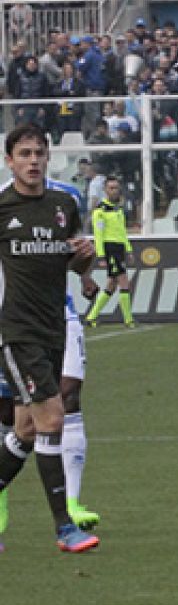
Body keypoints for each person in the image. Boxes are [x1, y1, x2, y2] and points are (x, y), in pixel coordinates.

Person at [0, 125, 100, 554]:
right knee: (52, 418)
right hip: (16, 331)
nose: (33, 161)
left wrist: (84, 259)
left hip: (53, 327)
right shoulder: (3, 207)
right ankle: (64, 527)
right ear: (10, 161)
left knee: (25, 430)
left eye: (39, 153)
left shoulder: (64, 204)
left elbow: (72, 264)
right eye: (24, 154)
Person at [84, 177, 136, 328]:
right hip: (110, 249)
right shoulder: (100, 210)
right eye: (111, 188)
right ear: (105, 190)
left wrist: (128, 249)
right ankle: (128, 320)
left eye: (116, 188)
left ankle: (91, 317)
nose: (114, 191)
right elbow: (98, 234)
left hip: (119, 248)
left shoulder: (118, 209)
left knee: (111, 285)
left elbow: (122, 232)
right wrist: (101, 255)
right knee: (124, 281)